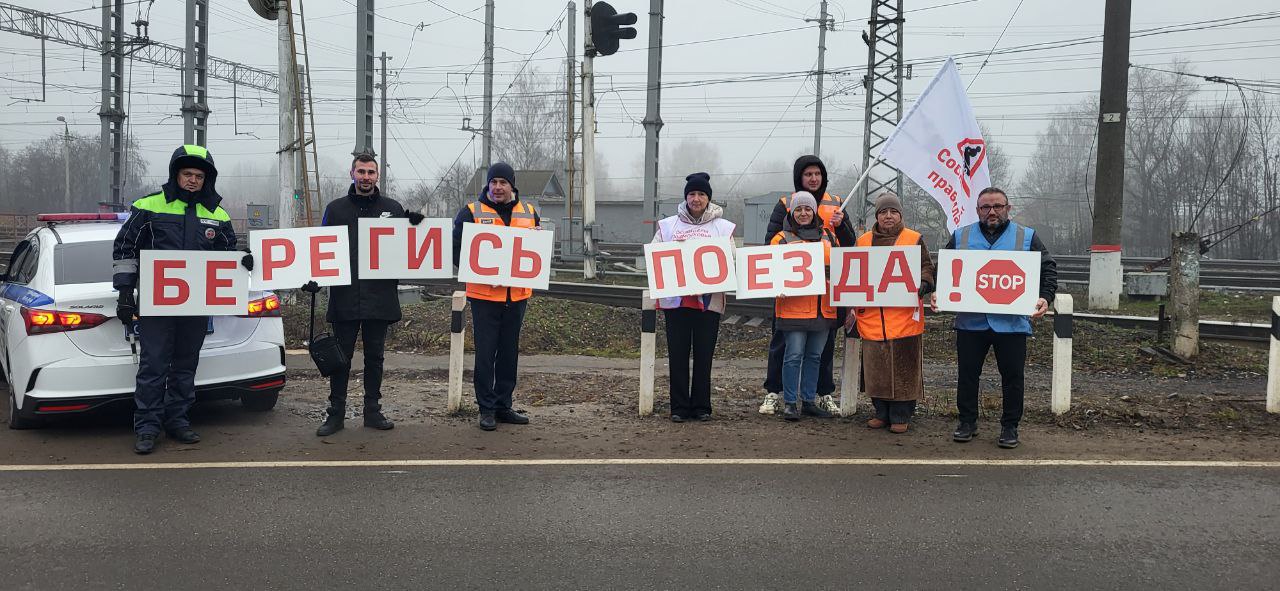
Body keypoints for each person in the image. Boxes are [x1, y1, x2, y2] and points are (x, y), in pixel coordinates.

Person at [112, 145, 249, 454]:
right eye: (187, 174)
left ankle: (178, 421)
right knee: (153, 366)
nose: (192, 180)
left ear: (206, 179)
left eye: (199, 176)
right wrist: (124, 292)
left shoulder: (217, 213)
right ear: (176, 174)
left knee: (186, 365)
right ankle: (147, 427)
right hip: (156, 303)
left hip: (196, 304)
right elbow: (124, 249)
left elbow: (229, 255)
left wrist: (244, 261)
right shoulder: (148, 206)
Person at [933, 187, 1057, 449]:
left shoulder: (1027, 237)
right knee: (967, 375)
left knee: (1013, 378)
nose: (992, 212)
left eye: (997, 206)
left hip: (1011, 324)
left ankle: (1010, 426)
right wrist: (937, 292)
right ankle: (967, 422)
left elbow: (1048, 269)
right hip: (971, 322)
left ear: (1007, 208)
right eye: (985, 207)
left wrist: (1046, 296)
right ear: (977, 210)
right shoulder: (961, 236)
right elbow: (942, 271)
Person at [313, 153, 425, 437]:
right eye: (360, 171)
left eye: (370, 172)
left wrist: (415, 226)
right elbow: (318, 249)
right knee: (342, 358)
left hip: (379, 296)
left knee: (375, 357)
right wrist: (312, 277)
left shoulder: (393, 208)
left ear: (377, 176)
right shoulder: (335, 209)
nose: (365, 177)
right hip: (345, 296)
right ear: (352, 174)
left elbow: (407, 249)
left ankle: (372, 411)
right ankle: (335, 413)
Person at [452, 162, 541, 431]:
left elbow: (536, 250)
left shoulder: (530, 213)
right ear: (487, 185)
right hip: (484, 296)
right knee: (486, 354)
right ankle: (486, 408)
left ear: (512, 185)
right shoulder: (469, 213)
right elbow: (455, 251)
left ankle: (504, 405)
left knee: (508, 353)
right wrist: (481, 267)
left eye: (503, 182)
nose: (498, 187)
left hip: (517, 296)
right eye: (494, 182)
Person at [760, 155, 851, 414]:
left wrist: (842, 225)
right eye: (808, 174)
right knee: (789, 352)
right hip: (792, 306)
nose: (813, 178)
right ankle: (780, 396)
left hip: (823, 307)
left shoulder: (833, 220)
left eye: (817, 174)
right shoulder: (783, 226)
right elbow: (768, 255)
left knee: (817, 355)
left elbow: (848, 252)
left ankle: (815, 397)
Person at [845, 192, 936, 434]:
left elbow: (927, 267)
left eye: (893, 212)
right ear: (876, 216)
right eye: (883, 212)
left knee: (904, 371)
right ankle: (881, 412)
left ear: (900, 215)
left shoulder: (914, 239)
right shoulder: (863, 241)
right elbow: (852, 272)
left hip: (904, 319)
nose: (888, 216)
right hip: (872, 320)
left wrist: (925, 284)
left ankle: (901, 415)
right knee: (876, 372)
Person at [650, 173, 736, 422]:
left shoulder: (722, 227)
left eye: (701, 194)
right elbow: (655, 256)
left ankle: (701, 406)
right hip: (676, 302)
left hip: (708, 302)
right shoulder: (668, 226)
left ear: (708, 198)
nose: (696, 199)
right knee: (677, 354)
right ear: (685, 197)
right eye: (692, 194)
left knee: (704, 355)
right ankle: (678, 407)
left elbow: (730, 260)